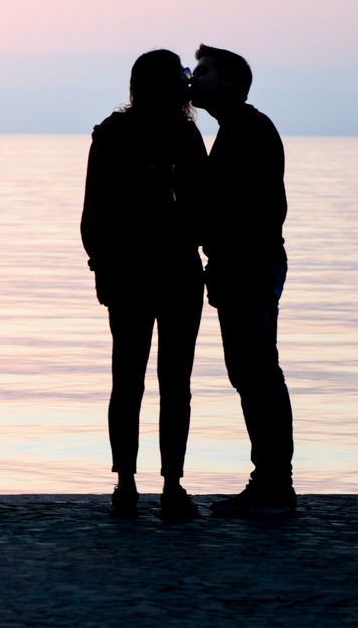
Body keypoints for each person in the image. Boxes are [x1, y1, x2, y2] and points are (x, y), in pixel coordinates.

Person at [81, 49, 208, 521]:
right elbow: (202, 207)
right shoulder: (184, 133)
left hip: (134, 270)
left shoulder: (112, 134)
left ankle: (127, 484)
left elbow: (94, 213)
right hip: (173, 270)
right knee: (175, 382)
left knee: (128, 379)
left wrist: (102, 265)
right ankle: (170, 484)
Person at [190, 43, 296, 518]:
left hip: (248, 267)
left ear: (229, 81)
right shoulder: (241, 127)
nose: (194, 79)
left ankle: (272, 484)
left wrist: (223, 256)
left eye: (204, 72)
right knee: (258, 371)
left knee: (254, 372)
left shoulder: (245, 131)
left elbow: (250, 208)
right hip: (251, 264)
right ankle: (272, 480)